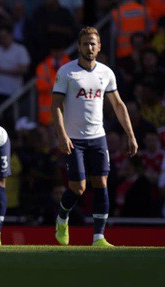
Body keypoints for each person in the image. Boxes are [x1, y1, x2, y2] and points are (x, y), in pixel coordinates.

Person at [51, 26, 138, 247]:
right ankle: (62, 217)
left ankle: (99, 237)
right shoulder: (66, 72)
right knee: (78, 187)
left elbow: (118, 104)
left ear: (99, 47)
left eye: (93, 43)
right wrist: (61, 134)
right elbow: (56, 106)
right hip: (74, 139)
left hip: (98, 137)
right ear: (79, 46)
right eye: (85, 43)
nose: (89, 47)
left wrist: (130, 134)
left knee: (101, 182)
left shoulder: (106, 73)